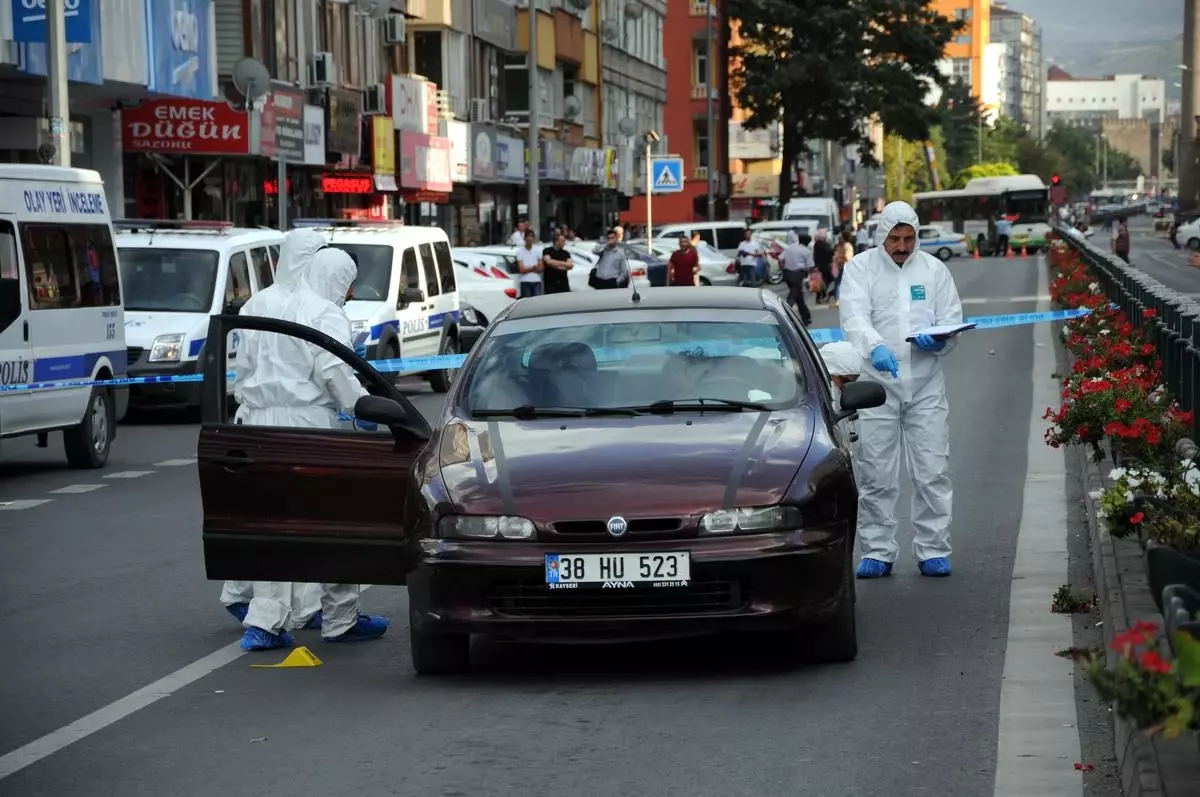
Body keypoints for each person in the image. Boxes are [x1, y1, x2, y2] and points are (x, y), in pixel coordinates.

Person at [224, 235, 389, 650]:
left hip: (257, 423)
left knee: (272, 525)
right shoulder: (322, 312)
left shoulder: (254, 305)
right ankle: (340, 617)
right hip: (308, 426)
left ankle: (264, 621)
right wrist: (365, 408)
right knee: (336, 524)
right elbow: (335, 375)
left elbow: (239, 371)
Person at [838, 201, 963, 579]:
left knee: (932, 469)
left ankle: (933, 549)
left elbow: (951, 319)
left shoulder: (934, 270)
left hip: (925, 385)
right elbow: (854, 316)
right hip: (876, 387)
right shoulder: (860, 269)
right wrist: (874, 346)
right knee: (876, 472)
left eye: (909, 238)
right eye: (895, 238)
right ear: (882, 236)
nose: (903, 246)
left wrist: (940, 341)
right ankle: (877, 550)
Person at [778, 231, 813, 325]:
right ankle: (784, 312)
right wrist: (807, 279)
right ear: (808, 243)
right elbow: (810, 267)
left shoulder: (790, 247)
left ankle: (806, 317)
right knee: (793, 295)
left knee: (798, 295)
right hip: (798, 274)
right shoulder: (807, 251)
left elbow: (780, 259)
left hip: (787, 273)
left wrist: (783, 269)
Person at [515, 229, 544, 297]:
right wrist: (534, 267)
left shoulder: (538, 250)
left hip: (537, 281)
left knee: (536, 303)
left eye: (531, 236)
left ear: (533, 238)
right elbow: (521, 270)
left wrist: (528, 268)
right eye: (528, 236)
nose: (530, 238)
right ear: (524, 238)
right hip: (525, 281)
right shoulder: (519, 251)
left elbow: (541, 267)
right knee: (526, 303)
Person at [812, 229, 834, 302]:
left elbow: (815, 256)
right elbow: (830, 253)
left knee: (820, 281)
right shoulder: (825, 244)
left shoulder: (816, 244)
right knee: (827, 281)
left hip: (819, 266)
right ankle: (827, 295)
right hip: (826, 265)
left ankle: (821, 296)